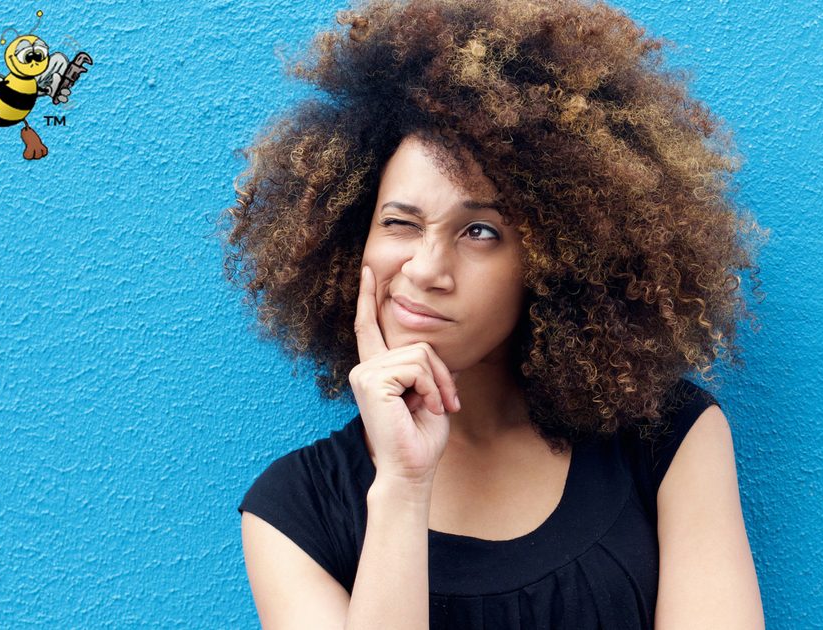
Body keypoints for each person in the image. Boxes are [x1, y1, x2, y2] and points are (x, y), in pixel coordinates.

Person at [220, 0, 769, 627]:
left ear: (558, 260)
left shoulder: (667, 439)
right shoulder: (295, 511)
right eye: (400, 223)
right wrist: (402, 485)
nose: (426, 269)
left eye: (480, 231)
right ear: (351, 240)